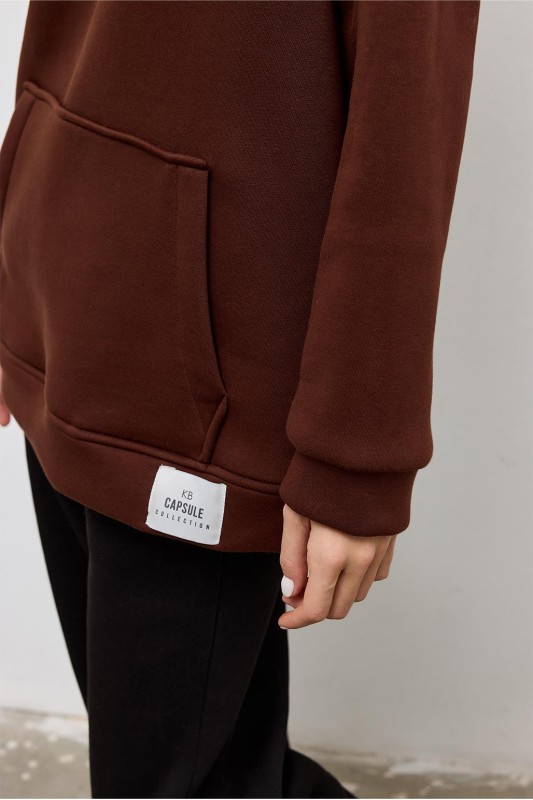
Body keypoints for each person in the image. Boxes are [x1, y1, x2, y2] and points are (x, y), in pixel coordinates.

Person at [0, 2, 480, 797]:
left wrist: (357, 464)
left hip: (210, 407)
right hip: (65, 310)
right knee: (204, 773)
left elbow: (404, 142)